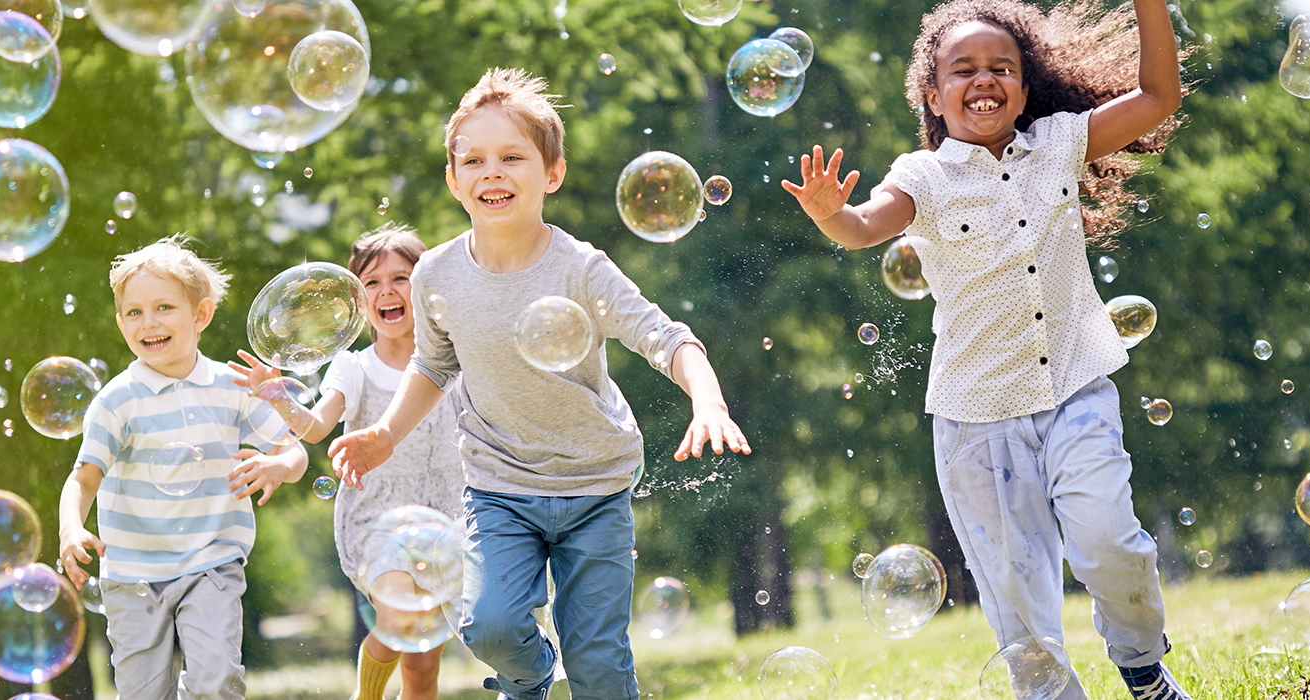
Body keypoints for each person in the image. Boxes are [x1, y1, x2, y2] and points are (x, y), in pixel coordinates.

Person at [781, 0, 1192, 697]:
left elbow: (1158, 98)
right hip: (976, 421)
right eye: (962, 69)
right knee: (1020, 607)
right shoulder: (924, 177)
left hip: (1077, 388)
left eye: (1002, 67)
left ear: (1025, 90)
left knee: (1111, 542)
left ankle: (1142, 667)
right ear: (933, 95)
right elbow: (864, 226)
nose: (984, 79)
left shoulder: (1060, 142)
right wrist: (832, 214)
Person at [326, 68, 752, 700]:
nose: (491, 171)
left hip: (594, 483)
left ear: (550, 174)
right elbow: (434, 364)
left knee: (599, 663)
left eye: (512, 157)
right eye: (473, 159)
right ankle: (528, 678)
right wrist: (387, 434)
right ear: (453, 180)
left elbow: (668, 339)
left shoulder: (582, 268)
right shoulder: (436, 274)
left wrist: (708, 401)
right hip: (499, 485)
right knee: (488, 624)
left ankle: (574, 669)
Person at [57, 235, 310, 700]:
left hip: (211, 562)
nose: (148, 322)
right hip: (132, 574)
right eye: (134, 312)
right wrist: (71, 529)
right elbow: (83, 478)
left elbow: (294, 449)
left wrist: (279, 465)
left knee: (217, 682)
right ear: (120, 323)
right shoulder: (117, 400)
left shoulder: (232, 386)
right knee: (142, 694)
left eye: (164, 307)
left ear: (201, 315)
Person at [230, 223, 465, 700]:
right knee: (398, 616)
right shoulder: (353, 367)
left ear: (425, 286)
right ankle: (367, 695)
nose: (388, 291)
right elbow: (315, 427)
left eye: (401, 278)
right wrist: (277, 395)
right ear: (358, 304)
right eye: (372, 283)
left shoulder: (456, 356)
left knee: (422, 665)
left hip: (449, 513)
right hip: (378, 517)